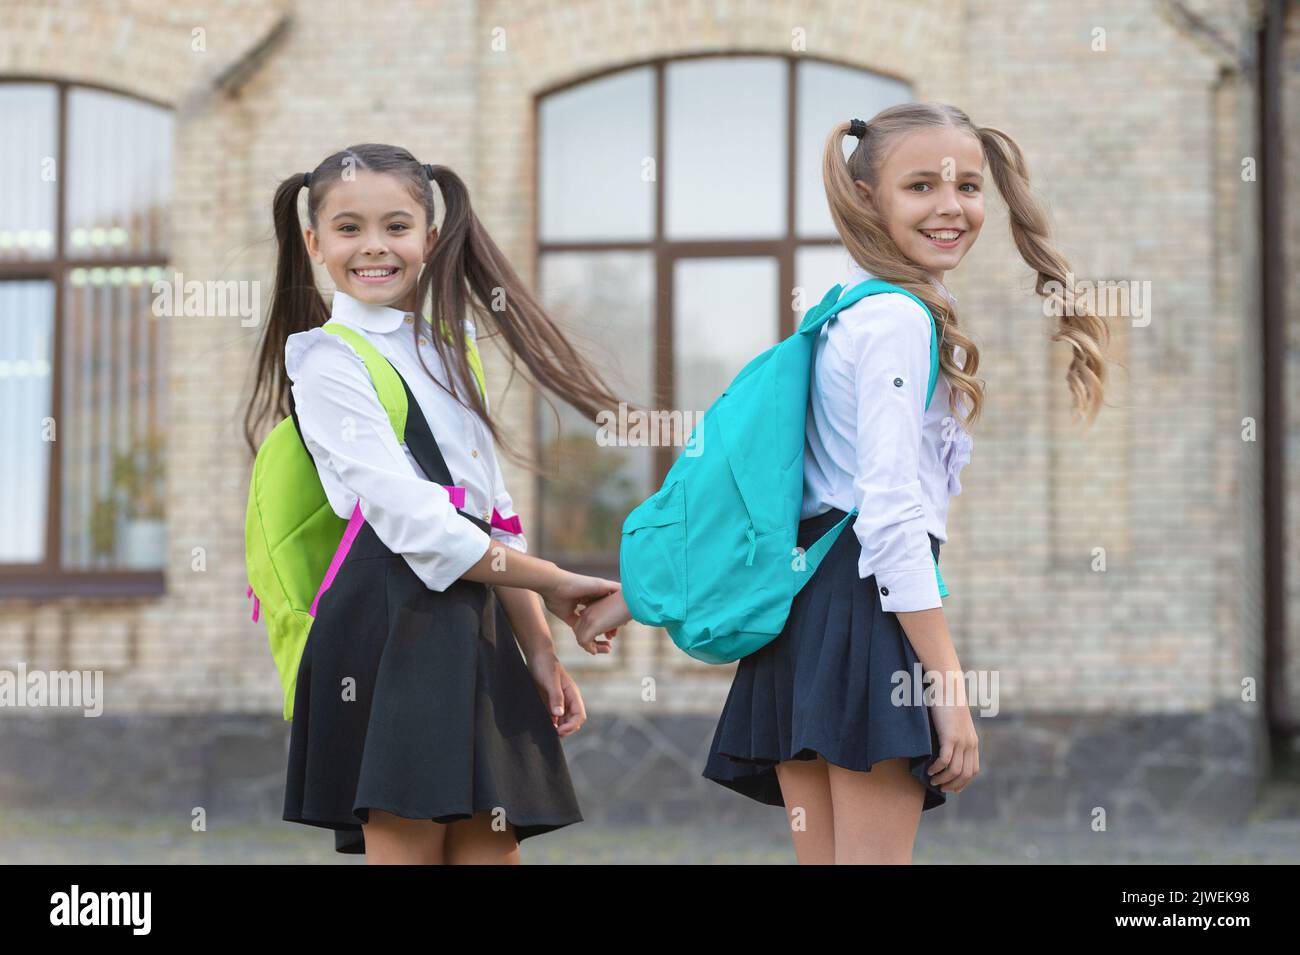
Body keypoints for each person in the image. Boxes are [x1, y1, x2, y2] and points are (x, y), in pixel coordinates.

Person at [577, 103, 1110, 863]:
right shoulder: (894, 319)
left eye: (967, 185)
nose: (951, 207)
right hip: (862, 612)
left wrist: (636, 590)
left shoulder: (841, 315)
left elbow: (776, 489)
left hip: (806, 616)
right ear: (866, 197)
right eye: (921, 185)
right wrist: (949, 685)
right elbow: (889, 516)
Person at [243, 144, 629, 864]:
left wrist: (541, 649)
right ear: (314, 243)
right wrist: (550, 577)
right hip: (388, 633)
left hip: (472, 626)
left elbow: (493, 513)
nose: (374, 246)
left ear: (429, 236)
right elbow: (416, 525)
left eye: (396, 225)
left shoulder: (452, 350)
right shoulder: (327, 361)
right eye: (349, 227)